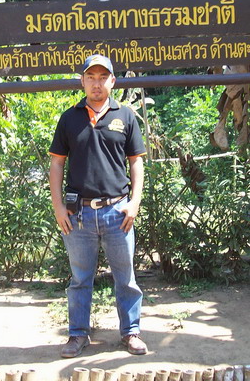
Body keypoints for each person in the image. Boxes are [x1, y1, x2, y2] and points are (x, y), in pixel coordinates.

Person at [48, 54, 148, 358]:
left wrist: (134, 203)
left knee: (125, 278)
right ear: (82, 81)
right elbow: (56, 164)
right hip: (77, 215)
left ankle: (131, 332)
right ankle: (78, 335)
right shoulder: (69, 118)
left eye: (103, 77)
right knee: (80, 279)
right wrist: (58, 208)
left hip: (117, 212)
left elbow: (136, 162)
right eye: (91, 77)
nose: (96, 83)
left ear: (112, 81)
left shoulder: (126, 116)